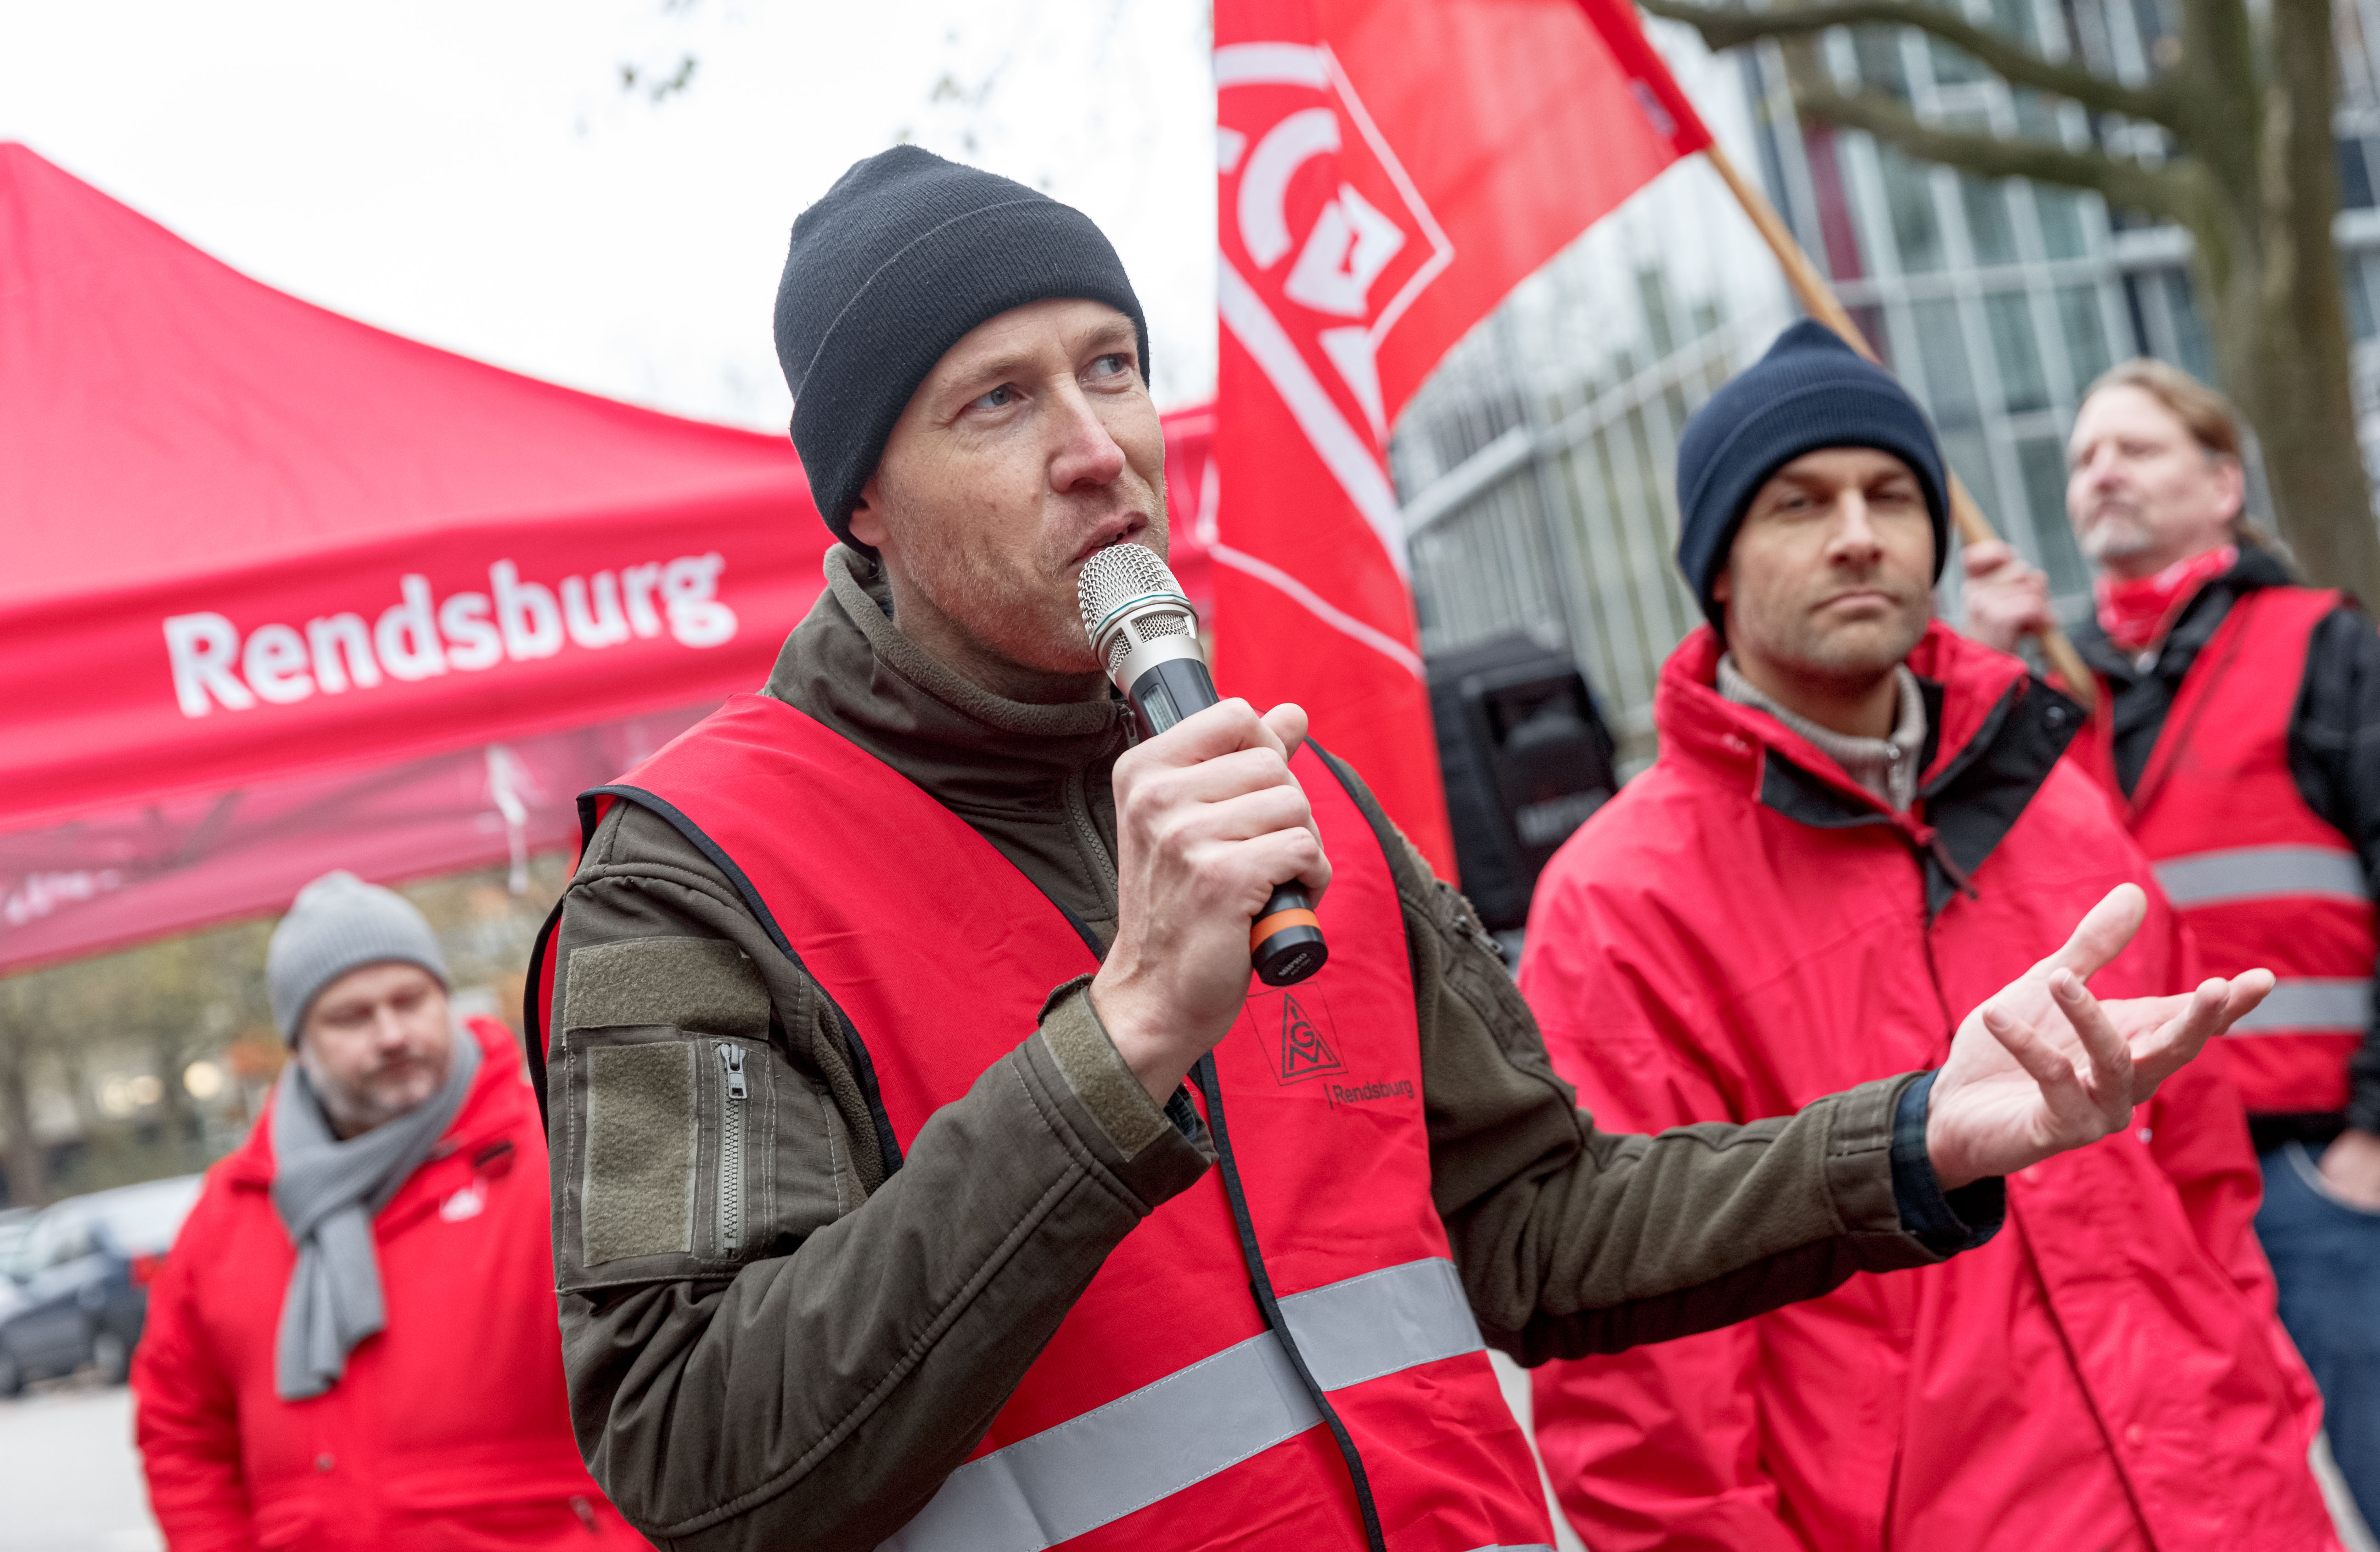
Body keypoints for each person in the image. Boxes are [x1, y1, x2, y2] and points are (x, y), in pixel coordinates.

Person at [534, 148, 2273, 1552]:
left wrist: (1909, 1138)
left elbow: (1532, 1228)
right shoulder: (690, 884)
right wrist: (1123, 1034)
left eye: (1113, 367)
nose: (1097, 452)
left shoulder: (1295, 791)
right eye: (995, 403)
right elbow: (696, 1454)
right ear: (858, 501)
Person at [1513, 322, 2335, 1551]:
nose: (1858, 530)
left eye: (1890, 493)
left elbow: (2204, 1186)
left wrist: (2261, 1437)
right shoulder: (1617, 907)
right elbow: (1650, 1399)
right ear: (1718, 570)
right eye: (1798, 502)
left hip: (2231, 1507)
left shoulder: (2061, 810)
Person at [1965, 357, 2380, 1527]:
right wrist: (1983, 681)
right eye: (2085, 456)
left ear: (2219, 484)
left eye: (2135, 449)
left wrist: (2371, 1140)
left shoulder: (2325, 648)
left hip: (2321, 1175)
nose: (2101, 473)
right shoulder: (2043, 687)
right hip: (2144, 1188)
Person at [133, 871, 650, 1550]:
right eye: (352, 1016)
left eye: (411, 1000)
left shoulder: (558, 1159)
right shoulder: (232, 1210)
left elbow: (661, 1386)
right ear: (298, 1043)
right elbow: (181, 1428)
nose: (392, 1034)